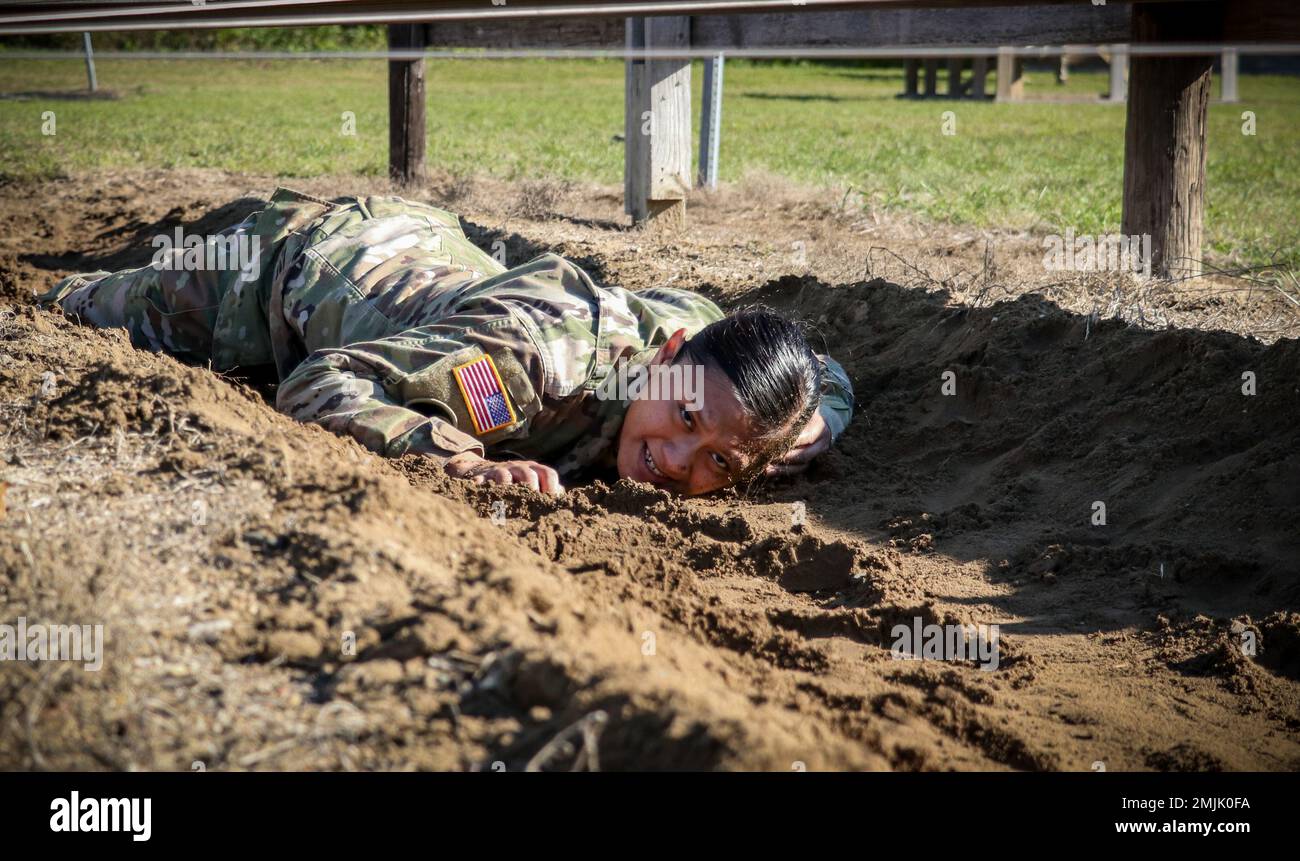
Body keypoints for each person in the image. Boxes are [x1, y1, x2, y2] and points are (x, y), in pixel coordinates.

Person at [38, 188, 853, 496]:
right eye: (683, 421)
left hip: (438, 256)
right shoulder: (535, 361)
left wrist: (808, 429)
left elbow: (826, 377)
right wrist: (460, 458)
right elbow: (324, 382)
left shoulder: (726, 364)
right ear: (671, 355)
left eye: (720, 462)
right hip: (294, 271)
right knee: (81, 313)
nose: (679, 463)